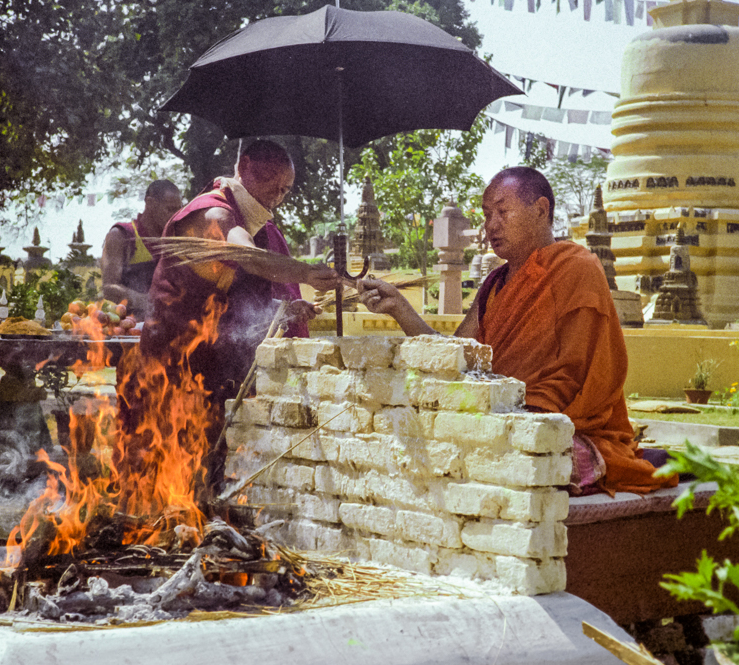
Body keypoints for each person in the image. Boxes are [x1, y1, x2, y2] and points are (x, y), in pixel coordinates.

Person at [358, 166, 674, 496]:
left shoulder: (576, 269)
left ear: (540, 210)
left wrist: (518, 412)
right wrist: (399, 308)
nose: (491, 225)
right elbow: (455, 355)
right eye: (487, 214)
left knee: (527, 456)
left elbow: (582, 377)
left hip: (559, 423)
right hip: (495, 415)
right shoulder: (495, 283)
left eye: (502, 211)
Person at [137, 140, 337, 495]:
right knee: (169, 468)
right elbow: (245, 255)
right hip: (175, 363)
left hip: (219, 367)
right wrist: (305, 272)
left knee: (217, 470)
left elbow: (238, 304)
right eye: (272, 183)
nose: (278, 196)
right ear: (243, 168)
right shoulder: (213, 214)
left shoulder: (260, 227)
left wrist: (285, 310)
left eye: (286, 189)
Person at [101, 179, 183, 315]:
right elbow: (109, 289)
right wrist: (149, 302)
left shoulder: (176, 239)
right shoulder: (121, 236)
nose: (175, 217)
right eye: (170, 209)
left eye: (178, 211)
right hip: (129, 323)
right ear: (150, 203)